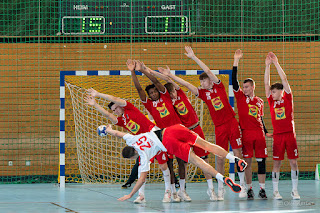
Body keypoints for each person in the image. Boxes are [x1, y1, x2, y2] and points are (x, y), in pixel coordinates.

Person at [158, 46, 245, 200]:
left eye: (203, 81)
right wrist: (171, 75)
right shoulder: (203, 94)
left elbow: (209, 71)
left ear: (209, 80)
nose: (201, 84)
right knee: (219, 157)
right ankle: (220, 189)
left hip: (231, 122)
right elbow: (186, 85)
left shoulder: (218, 85)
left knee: (238, 153)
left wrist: (194, 57)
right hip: (219, 127)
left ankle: (243, 185)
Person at [102, 123, 248, 202]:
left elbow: (141, 179)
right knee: (206, 145)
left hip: (168, 142)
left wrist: (131, 194)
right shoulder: (131, 139)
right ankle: (236, 159)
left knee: (197, 161)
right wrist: (107, 129)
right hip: (173, 129)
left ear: (132, 157)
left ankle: (223, 178)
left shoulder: (143, 157)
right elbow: (117, 133)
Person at [84, 87, 176, 203]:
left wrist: (98, 93)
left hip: (154, 137)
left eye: (116, 108)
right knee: (141, 168)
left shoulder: (129, 108)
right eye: (114, 110)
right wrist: (95, 105)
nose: (116, 111)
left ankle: (168, 192)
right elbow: (108, 115)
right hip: (143, 144)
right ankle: (141, 195)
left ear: (120, 105)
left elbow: (114, 98)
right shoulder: (121, 121)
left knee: (163, 166)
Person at [148, 66, 218, 201]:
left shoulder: (181, 94)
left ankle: (211, 190)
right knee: (183, 161)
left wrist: (152, 71)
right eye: (171, 93)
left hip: (196, 128)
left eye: (174, 91)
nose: (173, 94)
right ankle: (179, 190)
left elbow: (168, 79)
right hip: (183, 133)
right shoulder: (168, 103)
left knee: (204, 159)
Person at [128, 59, 191, 202]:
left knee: (182, 162)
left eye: (155, 91)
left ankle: (183, 190)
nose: (154, 93)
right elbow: (139, 89)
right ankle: (173, 192)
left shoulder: (166, 97)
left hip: (179, 132)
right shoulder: (149, 105)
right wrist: (132, 71)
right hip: (164, 136)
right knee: (169, 164)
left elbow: (156, 82)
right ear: (149, 95)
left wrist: (144, 70)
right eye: (151, 93)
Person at [232, 49, 272, 199]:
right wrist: (236, 60)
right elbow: (234, 80)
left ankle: (262, 188)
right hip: (246, 134)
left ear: (253, 87)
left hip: (259, 134)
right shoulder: (241, 97)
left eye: (247, 86)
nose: (245, 89)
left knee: (261, 161)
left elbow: (260, 118)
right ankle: (249, 188)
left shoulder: (260, 101)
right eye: (244, 87)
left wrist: (267, 131)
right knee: (246, 162)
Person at [264, 52, 300, 200]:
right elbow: (266, 84)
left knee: (293, 162)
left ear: (280, 92)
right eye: (271, 92)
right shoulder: (271, 102)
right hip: (278, 135)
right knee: (276, 163)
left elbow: (284, 79)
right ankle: (276, 191)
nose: (271, 94)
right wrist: (267, 66)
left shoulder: (288, 98)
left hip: (290, 134)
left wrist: (276, 63)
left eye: (274, 92)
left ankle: (294, 191)